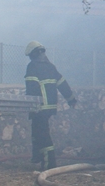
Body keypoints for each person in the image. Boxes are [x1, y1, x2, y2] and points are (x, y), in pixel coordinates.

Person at [24, 41, 77, 170]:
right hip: (50, 107)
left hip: (39, 107)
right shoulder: (51, 67)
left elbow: (31, 88)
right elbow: (62, 84)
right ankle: (37, 157)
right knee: (38, 133)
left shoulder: (32, 67)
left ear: (34, 54)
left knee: (42, 135)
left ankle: (49, 164)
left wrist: (31, 107)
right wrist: (71, 99)